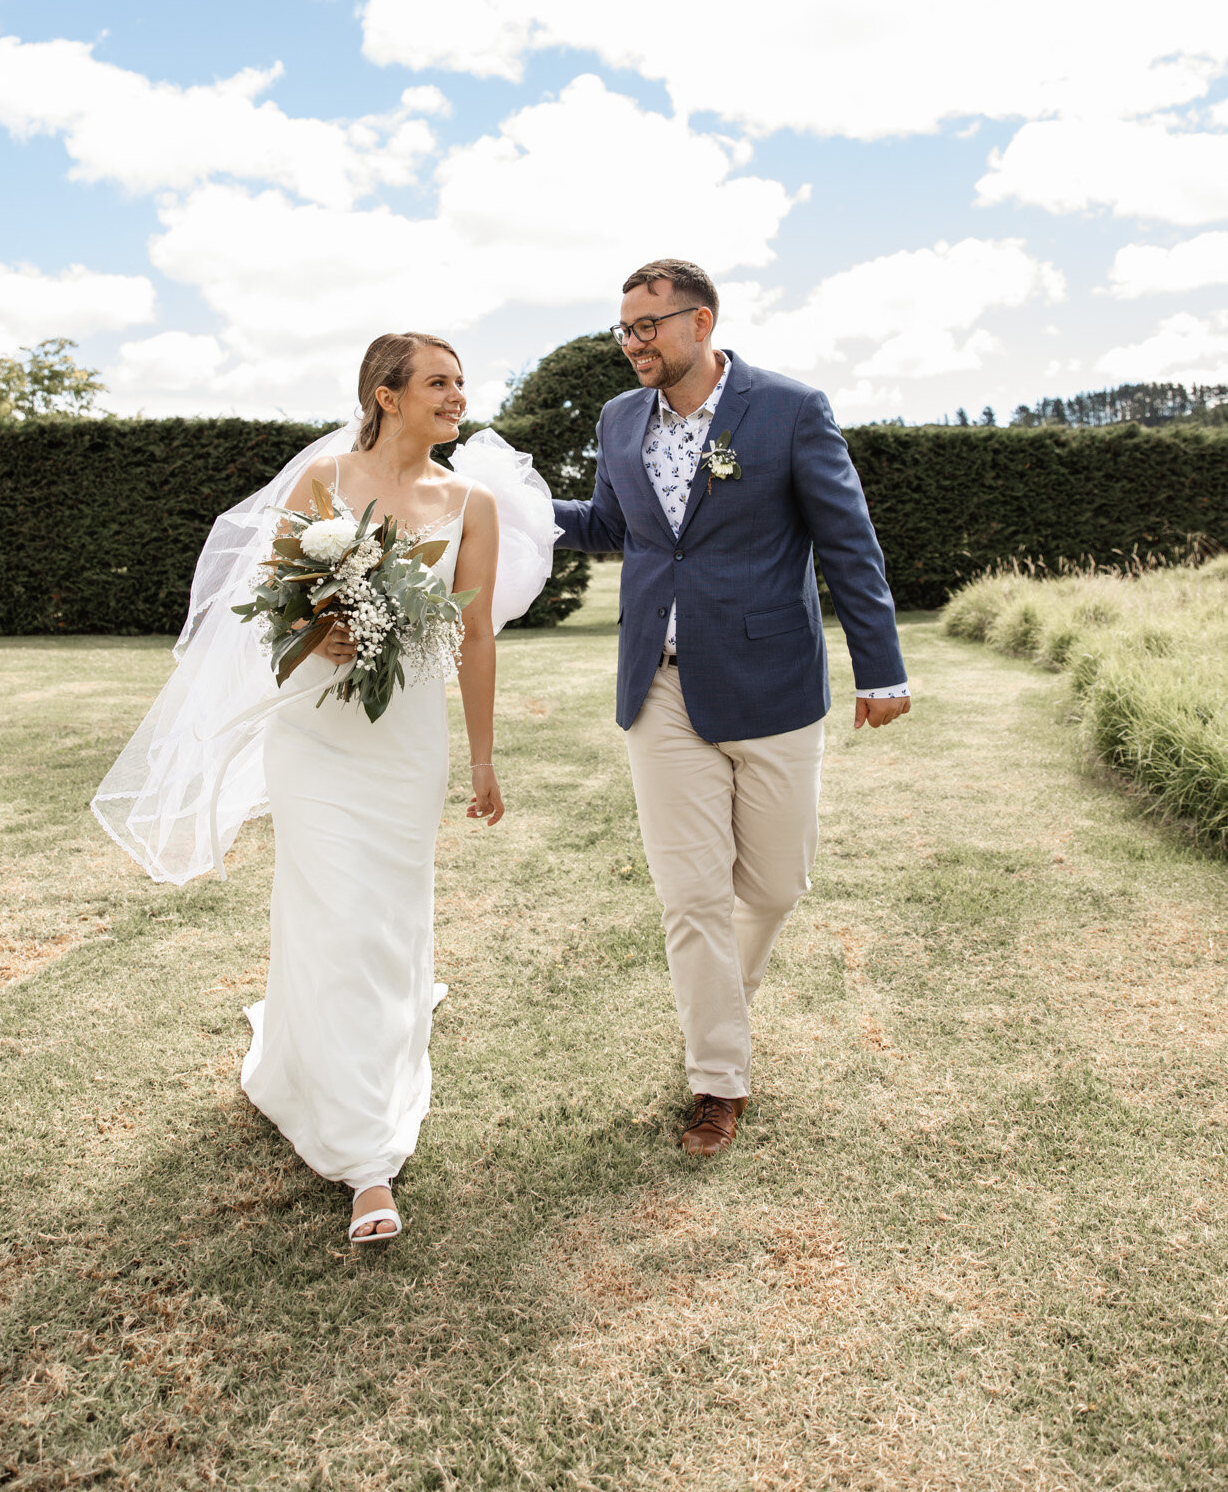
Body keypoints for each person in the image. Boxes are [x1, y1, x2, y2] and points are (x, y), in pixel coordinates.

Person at [91, 332, 558, 1246]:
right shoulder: (323, 486)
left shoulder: (472, 503)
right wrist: (321, 635)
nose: (456, 396)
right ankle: (366, 1163)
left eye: (460, 383)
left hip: (405, 742)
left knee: (383, 917)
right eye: (438, 382)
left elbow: (474, 638)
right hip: (315, 736)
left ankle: (347, 1052)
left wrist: (486, 758)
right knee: (331, 913)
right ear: (386, 395)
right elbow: (271, 609)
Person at [551, 260, 909, 1158]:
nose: (632, 343)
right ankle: (716, 1078)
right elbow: (610, 525)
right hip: (659, 687)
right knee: (692, 896)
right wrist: (503, 507)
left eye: (647, 327)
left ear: (699, 321)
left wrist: (881, 670)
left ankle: (717, 1013)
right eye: (623, 329)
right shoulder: (617, 419)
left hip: (771, 684)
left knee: (776, 886)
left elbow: (847, 542)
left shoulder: (788, 409)